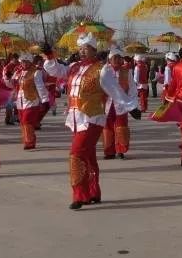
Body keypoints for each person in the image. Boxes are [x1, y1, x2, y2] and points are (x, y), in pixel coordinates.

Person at [42, 33, 141, 210]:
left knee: (76, 153)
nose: (82, 51)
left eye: (85, 48)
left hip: (92, 118)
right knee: (88, 156)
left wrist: (131, 105)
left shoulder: (102, 69)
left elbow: (115, 89)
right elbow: (55, 70)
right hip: (75, 117)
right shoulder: (73, 67)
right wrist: (50, 55)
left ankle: (79, 195)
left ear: (94, 50)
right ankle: (93, 192)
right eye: (80, 48)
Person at [102, 46, 137, 159]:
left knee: (121, 127)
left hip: (121, 105)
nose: (117, 60)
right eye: (114, 57)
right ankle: (109, 151)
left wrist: (132, 105)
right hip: (107, 104)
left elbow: (132, 89)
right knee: (107, 128)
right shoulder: (104, 71)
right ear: (110, 59)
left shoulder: (127, 72)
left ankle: (120, 150)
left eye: (119, 57)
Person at [9, 52, 48, 150]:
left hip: (31, 100)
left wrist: (44, 99)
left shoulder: (36, 72)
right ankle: (28, 139)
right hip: (20, 101)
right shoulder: (18, 72)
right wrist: (8, 78)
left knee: (27, 121)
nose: (24, 64)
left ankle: (29, 142)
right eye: (22, 62)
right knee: (22, 122)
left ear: (30, 62)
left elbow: (40, 86)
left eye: (26, 62)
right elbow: (11, 85)